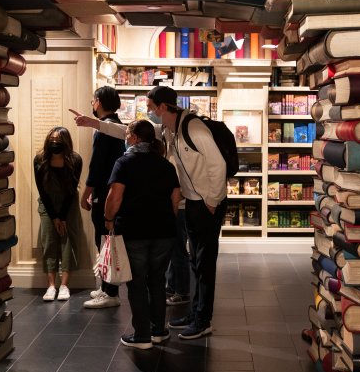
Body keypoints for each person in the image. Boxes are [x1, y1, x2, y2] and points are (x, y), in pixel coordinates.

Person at [74, 85, 227, 340]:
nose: (148, 110)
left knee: (205, 263)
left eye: (151, 106)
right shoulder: (167, 130)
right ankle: (195, 313)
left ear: (163, 107)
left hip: (206, 203)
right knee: (195, 262)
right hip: (191, 202)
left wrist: (212, 200)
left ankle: (203, 319)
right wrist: (93, 123)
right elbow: (128, 131)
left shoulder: (193, 127)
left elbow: (217, 163)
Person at [104, 120, 181, 349]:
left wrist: (108, 219)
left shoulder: (124, 163)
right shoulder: (166, 165)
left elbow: (114, 197)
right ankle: (158, 331)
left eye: (128, 133)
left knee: (137, 282)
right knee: (157, 281)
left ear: (136, 137)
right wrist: (168, 220)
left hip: (134, 230)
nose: (126, 137)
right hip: (164, 231)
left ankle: (142, 336)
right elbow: (175, 198)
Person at [79, 86, 126, 309]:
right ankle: (106, 287)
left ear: (98, 102)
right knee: (107, 238)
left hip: (105, 191)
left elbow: (97, 165)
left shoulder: (105, 129)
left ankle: (111, 291)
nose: (91, 103)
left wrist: (86, 193)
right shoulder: (118, 125)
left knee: (105, 239)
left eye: (93, 100)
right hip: (112, 189)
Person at [33, 127, 84, 301]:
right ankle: (51, 286)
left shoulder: (75, 160)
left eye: (58, 140)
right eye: (52, 140)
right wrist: (54, 217)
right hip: (48, 206)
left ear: (66, 143)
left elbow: (71, 191)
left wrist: (62, 217)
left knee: (68, 242)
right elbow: (42, 190)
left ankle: (64, 285)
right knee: (49, 242)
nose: (55, 143)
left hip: (68, 205)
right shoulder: (39, 160)